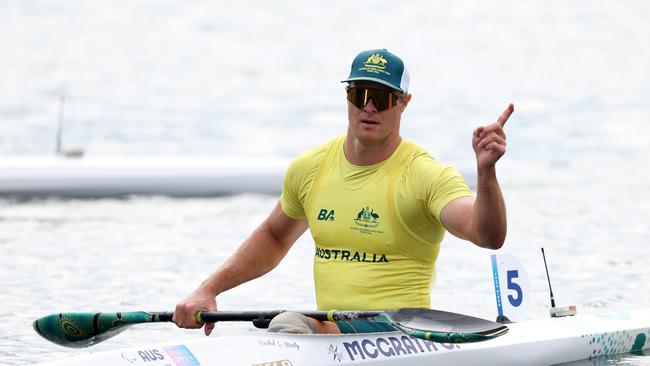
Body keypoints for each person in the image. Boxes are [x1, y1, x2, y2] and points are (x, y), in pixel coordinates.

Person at [173, 49, 512, 335]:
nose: (369, 107)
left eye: (380, 97)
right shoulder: (310, 168)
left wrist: (486, 173)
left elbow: (486, 235)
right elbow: (273, 238)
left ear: (403, 103)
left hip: (399, 336)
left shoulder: (424, 175)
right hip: (329, 335)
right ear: (347, 96)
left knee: (289, 325)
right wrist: (209, 288)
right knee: (289, 327)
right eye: (358, 94)